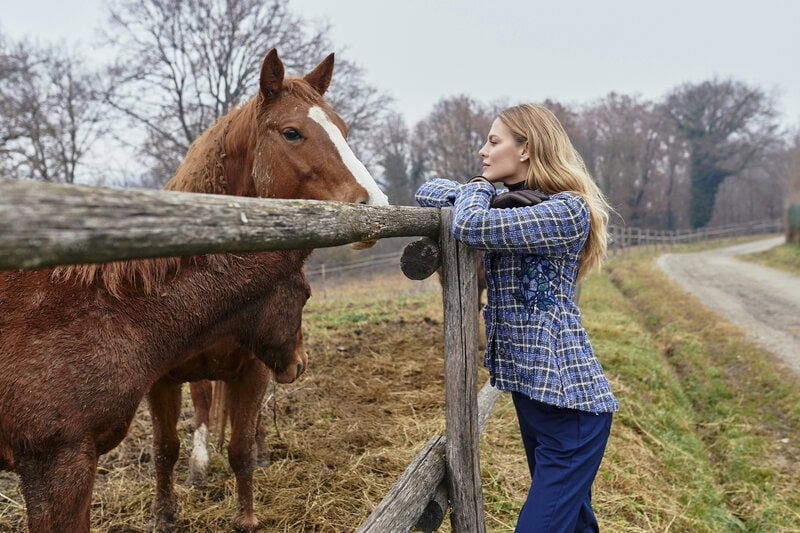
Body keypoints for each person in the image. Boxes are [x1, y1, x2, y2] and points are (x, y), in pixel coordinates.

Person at [415, 103, 617, 532]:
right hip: (535, 400)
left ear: (525, 148)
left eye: (494, 141)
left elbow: (468, 224)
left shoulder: (565, 212)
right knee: (575, 523)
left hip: (571, 410)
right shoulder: (509, 204)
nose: (483, 151)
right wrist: (484, 189)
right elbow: (427, 191)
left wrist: (477, 187)